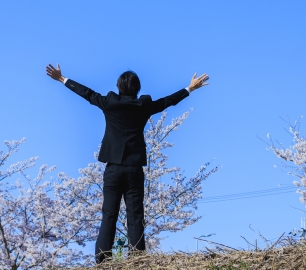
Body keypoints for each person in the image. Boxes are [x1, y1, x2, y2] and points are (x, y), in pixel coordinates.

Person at [45, 64, 209, 263]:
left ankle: (103, 260)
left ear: (118, 86)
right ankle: (137, 260)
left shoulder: (110, 103)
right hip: (134, 169)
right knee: (135, 215)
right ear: (137, 88)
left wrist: (62, 79)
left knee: (109, 215)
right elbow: (168, 102)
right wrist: (189, 88)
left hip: (113, 168)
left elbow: (87, 94)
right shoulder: (144, 105)